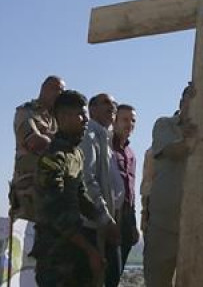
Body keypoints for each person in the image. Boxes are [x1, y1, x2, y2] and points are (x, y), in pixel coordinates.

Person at [143, 83, 203, 287]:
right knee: (157, 280)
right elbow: (174, 151)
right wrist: (191, 138)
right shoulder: (164, 125)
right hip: (163, 225)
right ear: (182, 102)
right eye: (192, 98)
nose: (198, 104)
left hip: (201, 224)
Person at [31, 90, 104, 287]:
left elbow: (80, 194)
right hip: (55, 255)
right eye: (81, 115)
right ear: (63, 117)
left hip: (74, 250)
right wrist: (90, 251)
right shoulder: (53, 157)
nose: (85, 121)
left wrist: (103, 220)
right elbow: (56, 214)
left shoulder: (76, 154)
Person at [80, 93, 124, 286]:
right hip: (94, 224)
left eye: (114, 104)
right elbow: (87, 180)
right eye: (106, 103)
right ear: (92, 109)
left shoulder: (104, 138)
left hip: (106, 221)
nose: (112, 107)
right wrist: (105, 218)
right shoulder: (89, 136)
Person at [11, 75, 65, 222]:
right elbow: (35, 142)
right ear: (43, 89)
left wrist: (49, 137)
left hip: (50, 191)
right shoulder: (26, 112)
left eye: (62, 92)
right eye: (55, 89)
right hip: (28, 190)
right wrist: (60, 140)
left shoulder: (56, 119)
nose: (59, 94)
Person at [111, 103, 141, 285]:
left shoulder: (130, 153)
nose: (129, 124)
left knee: (116, 273)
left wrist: (134, 222)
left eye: (133, 120)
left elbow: (131, 190)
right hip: (110, 216)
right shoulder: (106, 147)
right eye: (125, 119)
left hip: (127, 218)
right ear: (114, 121)